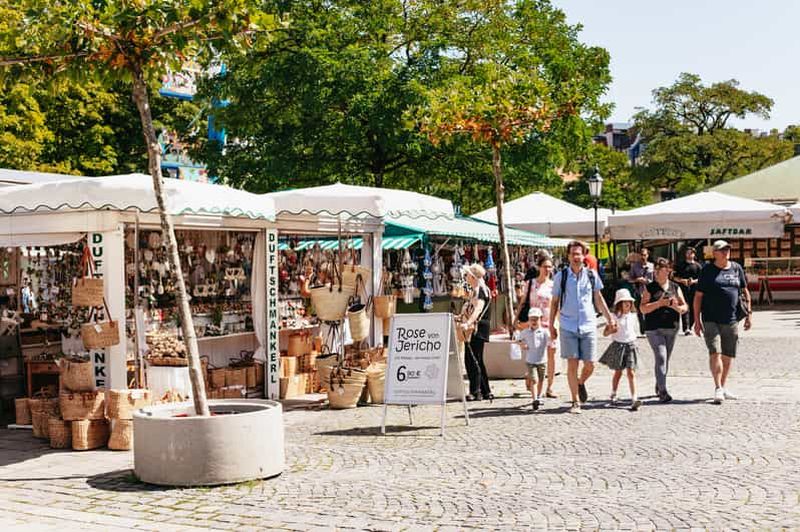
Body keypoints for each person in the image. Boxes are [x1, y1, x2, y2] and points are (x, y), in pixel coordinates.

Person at [550, 240, 617, 414]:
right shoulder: (561, 277)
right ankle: (575, 401)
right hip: (568, 325)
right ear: (568, 256)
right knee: (572, 364)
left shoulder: (592, 275)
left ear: (583, 256)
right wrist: (551, 325)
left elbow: (598, 298)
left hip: (588, 324)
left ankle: (580, 382)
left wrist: (609, 318)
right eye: (573, 254)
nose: (576, 257)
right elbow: (554, 302)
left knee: (590, 364)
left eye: (578, 254)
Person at [693, 240, 752, 404]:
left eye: (727, 249)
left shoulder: (736, 268)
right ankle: (718, 387)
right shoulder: (707, 270)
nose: (726, 252)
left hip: (731, 319)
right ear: (714, 253)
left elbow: (745, 290)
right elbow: (698, 297)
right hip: (710, 318)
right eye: (722, 250)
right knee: (715, 352)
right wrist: (696, 320)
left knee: (728, 355)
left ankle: (723, 386)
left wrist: (749, 314)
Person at [640, 257, 688, 402]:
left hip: (672, 328)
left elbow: (685, 307)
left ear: (667, 271)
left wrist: (676, 307)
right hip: (654, 328)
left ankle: (659, 383)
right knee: (661, 356)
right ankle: (663, 391)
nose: (655, 272)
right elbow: (643, 308)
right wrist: (659, 303)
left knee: (666, 359)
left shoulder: (675, 287)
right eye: (655, 269)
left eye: (659, 269)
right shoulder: (650, 287)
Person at [516, 254, 558, 398]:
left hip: (549, 322)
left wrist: (557, 323)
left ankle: (550, 387)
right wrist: (515, 318)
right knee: (532, 353)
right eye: (545, 266)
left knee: (551, 354)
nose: (547, 269)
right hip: (533, 323)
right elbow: (523, 302)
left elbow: (557, 305)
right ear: (539, 267)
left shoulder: (553, 285)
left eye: (550, 267)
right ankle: (530, 376)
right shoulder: (531, 283)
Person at [598, 288, 642, 411]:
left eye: (629, 301)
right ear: (619, 303)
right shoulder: (613, 317)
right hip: (618, 346)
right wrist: (611, 330)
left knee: (631, 372)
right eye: (624, 302)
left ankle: (634, 398)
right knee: (618, 372)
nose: (627, 304)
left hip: (631, 345)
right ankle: (613, 394)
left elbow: (633, 331)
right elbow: (605, 333)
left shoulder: (633, 316)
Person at [459, 263, 493, 402]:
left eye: (467, 275)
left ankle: (476, 391)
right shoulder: (478, 290)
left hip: (477, 328)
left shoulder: (481, 290)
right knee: (476, 358)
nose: (465, 277)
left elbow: (478, 309)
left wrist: (468, 323)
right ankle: (485, 391)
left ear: (473, 277)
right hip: (477, 327)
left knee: (472, 359)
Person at [517, 308, 549, 410]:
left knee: (541, 380)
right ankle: (534, 399)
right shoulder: (525, 332)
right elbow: (518, 339)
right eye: (532, 319)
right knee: (534, 380)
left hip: (542, 360)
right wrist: (522, 344)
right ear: (528, 320)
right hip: (530, 360)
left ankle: (539, 397)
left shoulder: (544, 332)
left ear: (541, 319)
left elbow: (550, 341)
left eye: (536, 319)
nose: (534, 321)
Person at [673, 246, 701, 335]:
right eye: (688, 253)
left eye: (691, 253)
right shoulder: (680, 265)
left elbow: (701, 278)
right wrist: (682, 280)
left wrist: (693, 281)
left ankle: (690, 325)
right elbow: (674, 277)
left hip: (694, 290)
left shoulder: (698, 266)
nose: (689, 255)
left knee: (693, 308)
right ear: (685, 254)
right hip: (682, 289)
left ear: (694, 254)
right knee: (685, 307)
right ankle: (686, 328)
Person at [630, 248, 654, 334]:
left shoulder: (652, 266)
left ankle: (649, 328)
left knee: (649, 310)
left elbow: (655, 279)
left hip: (649, 292)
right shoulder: (634, 266)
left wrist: (647, 281)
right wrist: (637, 279)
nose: (643, 257)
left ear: (648, 255)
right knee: (640, 311)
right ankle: (643, 330)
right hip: (638, 292)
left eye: (645, 255)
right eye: (641, 255)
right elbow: (630, 279)